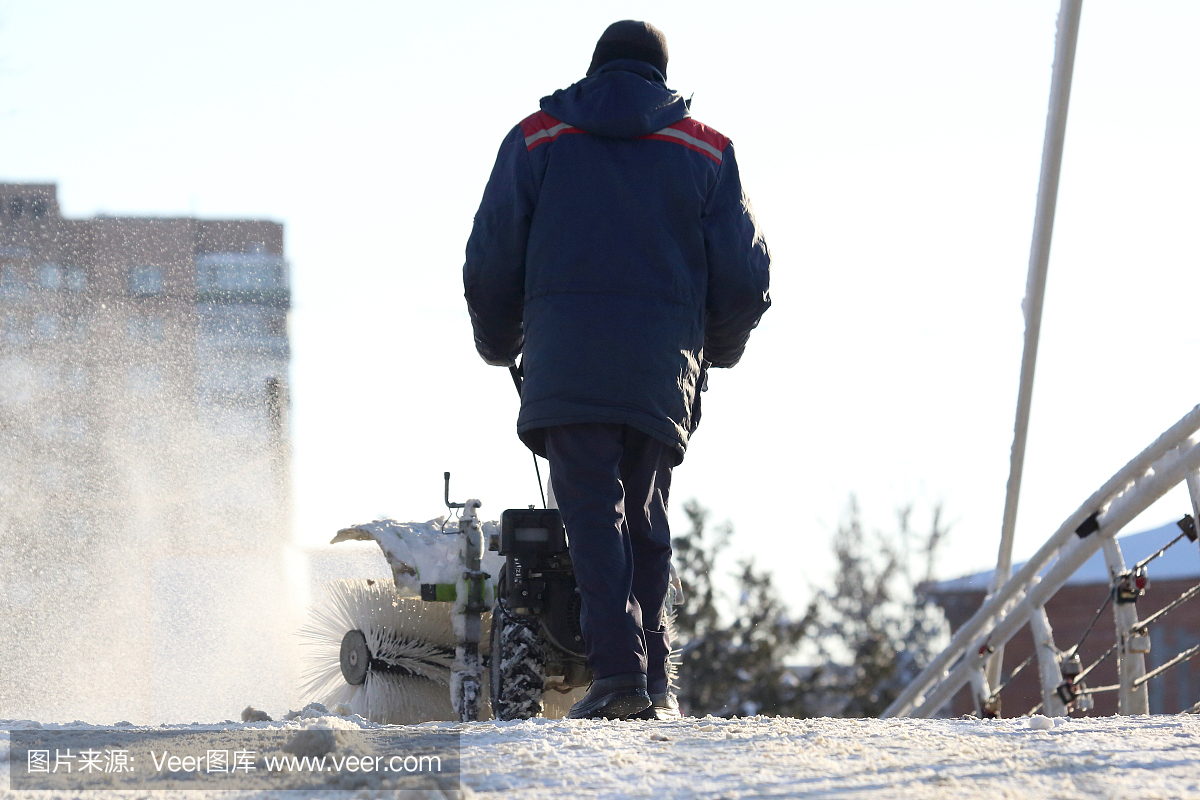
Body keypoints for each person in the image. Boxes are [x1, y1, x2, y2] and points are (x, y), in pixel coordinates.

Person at [463, 20, 771, 720]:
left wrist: (496, 339)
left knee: (592, 515)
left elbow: (491, 258)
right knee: (645, 514)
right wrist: (711, 352)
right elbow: (748, 279)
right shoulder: (707, 151)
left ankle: (619, 680)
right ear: (660, 77)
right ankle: (652, 682)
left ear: (595, 68)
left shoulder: (538, 138)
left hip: (566, 363)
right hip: (661, 368)